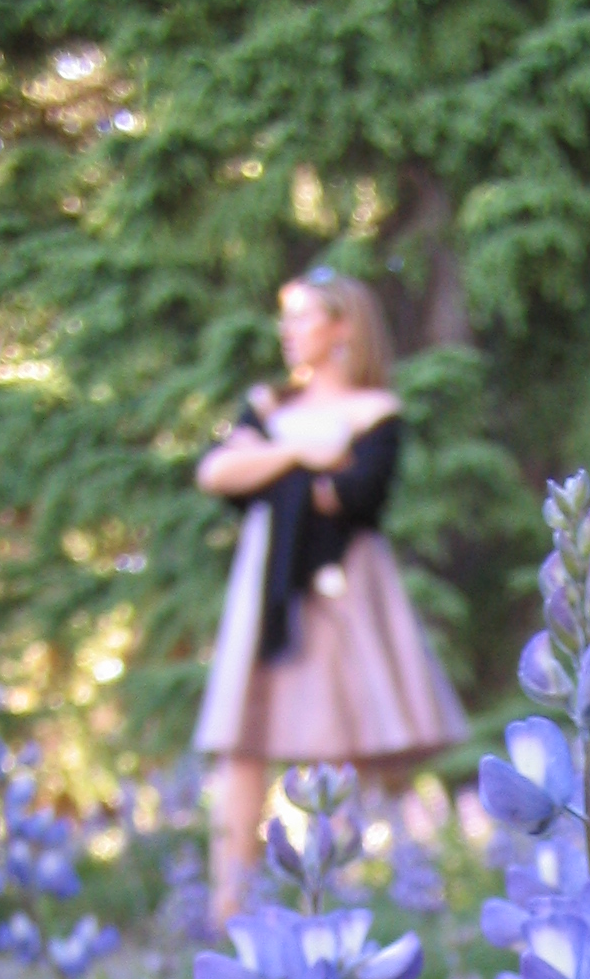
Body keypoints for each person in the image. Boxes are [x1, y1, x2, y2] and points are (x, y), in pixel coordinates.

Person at [193, 271, 467, 919]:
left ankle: (335, 900)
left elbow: (358, 495)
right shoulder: (270, 405)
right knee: (242, 738)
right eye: (285, 318)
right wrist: (304, 457)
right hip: (266, 584)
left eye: (303, 317)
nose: (287, 332)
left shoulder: (376, 413)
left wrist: (274, 462)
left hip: (346, 588)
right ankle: (229, 905)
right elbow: (218, 473)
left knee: (341, 735)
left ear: (342, 327)